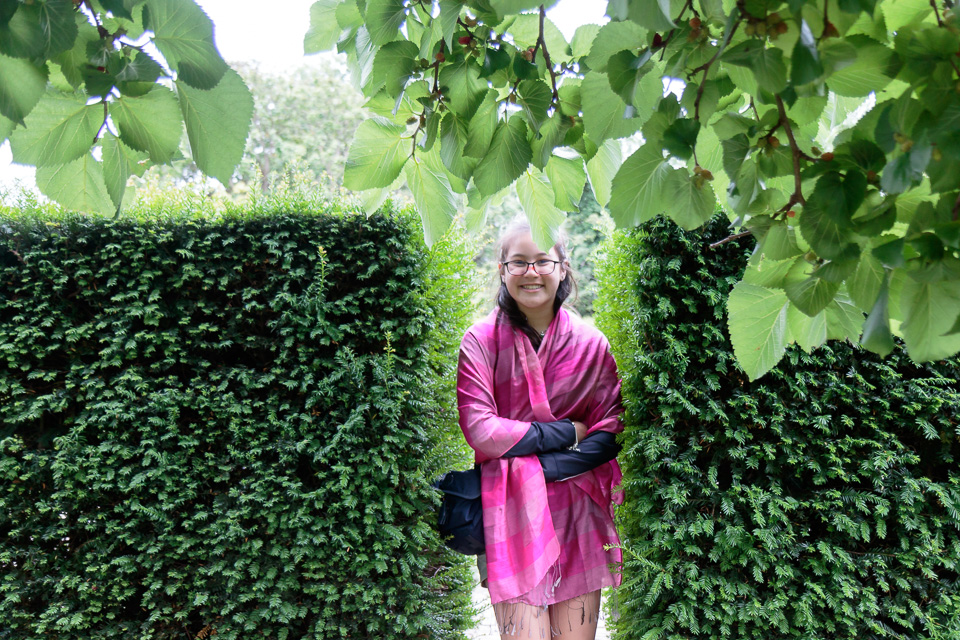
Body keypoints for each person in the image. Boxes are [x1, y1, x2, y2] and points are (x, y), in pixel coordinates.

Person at [457, 220, 624, 639]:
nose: (531, 272)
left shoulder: (591, 345)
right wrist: (569, 433)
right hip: (508, 512)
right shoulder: (479, 342)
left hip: (578, 515)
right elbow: (480, 428)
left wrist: (538, 468)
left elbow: (609, 428)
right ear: (502, 270)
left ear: (563, 268)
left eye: (543, 261)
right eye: (519, 262)